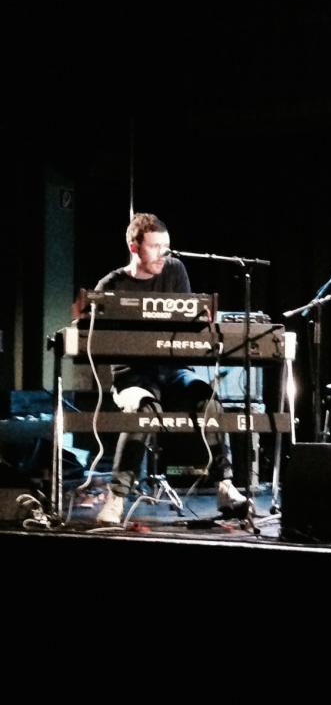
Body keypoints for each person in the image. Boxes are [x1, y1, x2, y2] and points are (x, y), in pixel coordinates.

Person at [90, 213, 249, 525]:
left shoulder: (175, 270)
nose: (163, 253)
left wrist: (201, 321)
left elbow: (188, 321)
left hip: (174, 370)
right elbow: (96, 338)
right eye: (155, 247)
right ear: (134, 248)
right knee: (144, 410)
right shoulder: (111, 285)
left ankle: (225, 486)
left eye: (166, 247)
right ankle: (116, 497)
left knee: (208, 399)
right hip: (132, 375)